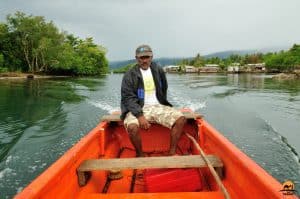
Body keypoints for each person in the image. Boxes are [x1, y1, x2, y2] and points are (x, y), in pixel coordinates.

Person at [120, 44, 186, 157]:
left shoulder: (158, 70)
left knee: (181, 119)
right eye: (142, 58)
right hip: (138, 107)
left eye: (147, 57)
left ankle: (172, 152)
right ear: (136, 58)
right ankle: (140, 154)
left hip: (157, 106)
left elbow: (164, 87)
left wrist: (162, 103)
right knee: (132, 127)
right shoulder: (129, 75)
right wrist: (140, 116)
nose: (145, 60)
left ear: (152, 57)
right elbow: (128, 98)